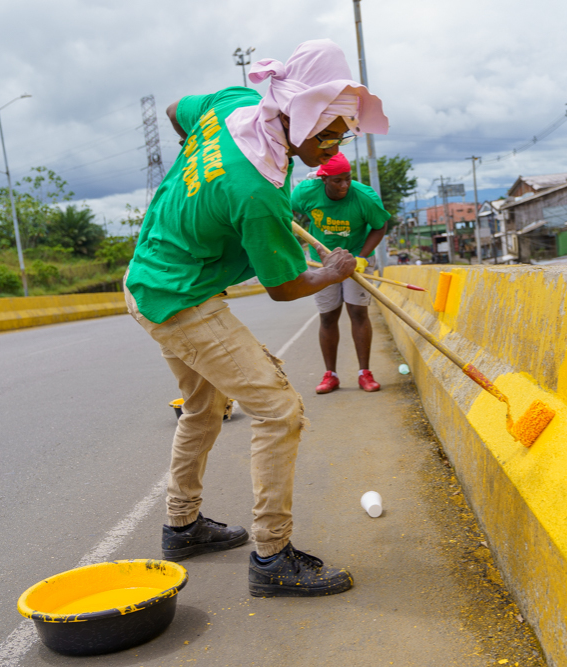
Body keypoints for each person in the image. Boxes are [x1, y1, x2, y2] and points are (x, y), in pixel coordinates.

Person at [122, 39, 388, 597]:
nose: (337, 145)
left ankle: (182, 526)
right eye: (331, 132)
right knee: (279, 411)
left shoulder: (232, 103)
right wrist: (334, 271)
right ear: (298, 115)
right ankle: (272, 558)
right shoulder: (258, 193)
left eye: (344, 133)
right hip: (179, 299)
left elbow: (176, 111)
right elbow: (286, 287)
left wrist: (196, 154)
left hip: (147, 278)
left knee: (203, 407)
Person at [290, 152, 390, 394]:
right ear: (323, 179)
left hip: (356, 256)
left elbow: (380, 226)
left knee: (357, 312)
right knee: (327, 316)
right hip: (322, 261)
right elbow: (285, 214)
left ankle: (364, 373)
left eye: (347, 178)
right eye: (337, 181)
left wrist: (362, 258)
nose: (344, 185)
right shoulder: (305, 192)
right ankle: (330, 375)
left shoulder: (364, 197)